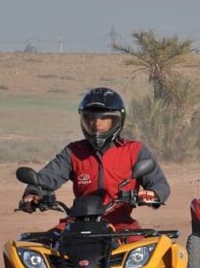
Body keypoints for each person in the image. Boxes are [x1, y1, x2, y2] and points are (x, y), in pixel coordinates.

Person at [20, 87, 169, 232]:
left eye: (104, 118)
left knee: (147, 252)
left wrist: (152, 194)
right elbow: (49, 177)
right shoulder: (74, 151)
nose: (97, 123)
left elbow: (159, 184)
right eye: (91, 118)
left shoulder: (134, 150)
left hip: (120, 225)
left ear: (117, 120)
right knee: (40, 250)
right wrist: (33, 193)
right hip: (77, 224)